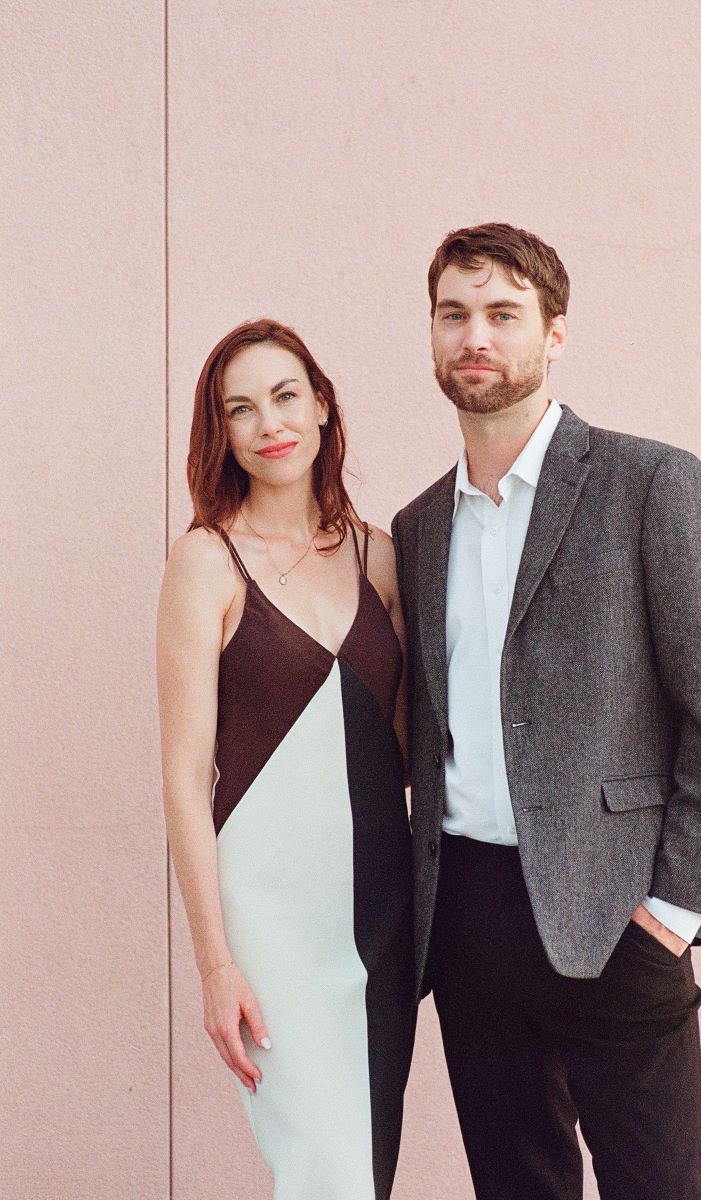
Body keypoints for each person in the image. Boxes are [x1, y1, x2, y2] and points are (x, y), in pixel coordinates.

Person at [391, 223, 701, 1200]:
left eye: (503, 314)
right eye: (454, 314)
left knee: (657, 1187)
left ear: (554, 334)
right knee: (518, 1187)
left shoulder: (650, 483)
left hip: (616, 915)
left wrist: (675, 910)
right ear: (431, 334)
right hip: (468, 923)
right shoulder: (419, 526)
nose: (475, 335)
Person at [156, 319, 415, 1200]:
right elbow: (187, 783)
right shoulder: (206, 563)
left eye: (285, 395)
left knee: (364, 1168)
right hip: (270, 920)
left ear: (322, 404)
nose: (269, 421)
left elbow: (416, 748)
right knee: (323, 1169)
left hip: (381, 910)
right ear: (220, 433)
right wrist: (216, 964)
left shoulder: (382, 555)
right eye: (241, 408)